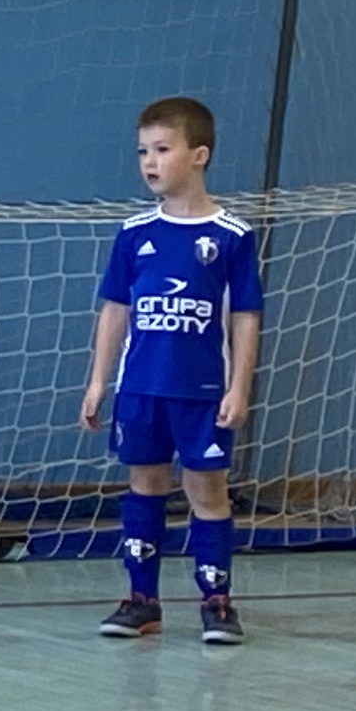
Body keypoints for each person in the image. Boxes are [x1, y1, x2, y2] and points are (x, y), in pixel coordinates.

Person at [78, 95, 263, 648]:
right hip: (141, 389)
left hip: (202, 391)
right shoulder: (134, 233)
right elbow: (115, 310)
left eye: (162, 149)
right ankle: (142, 600)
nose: (149, 162)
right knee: (144, 485)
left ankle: (217, 601)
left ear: (198, 155)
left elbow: (245, 316)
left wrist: (239, 387)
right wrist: (98, 381)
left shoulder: (231, 235)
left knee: (207, 489)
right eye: (143, 151)